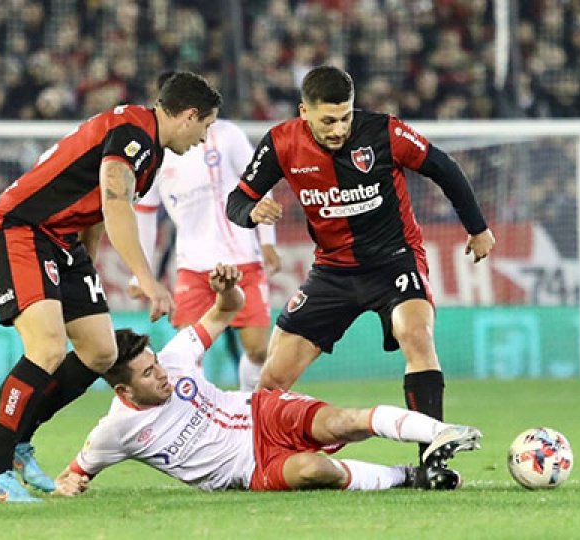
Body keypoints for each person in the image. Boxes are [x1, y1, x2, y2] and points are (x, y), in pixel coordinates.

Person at [226, 65, 496, 461]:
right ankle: (258, 459)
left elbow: (444, 168)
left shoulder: (384, 132)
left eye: (346, 117)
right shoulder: (282, 142)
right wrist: (251, 212)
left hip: (395, 262)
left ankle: (431, 459)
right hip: (332, 272)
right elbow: (237, 199)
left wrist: (477, 228)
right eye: (328, 121)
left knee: (416, 336)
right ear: (305, 112)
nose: (338, 129)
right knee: (272, 378)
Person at [0, 72, 222, 503]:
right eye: (206, 126)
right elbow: (113, 200)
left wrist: (83, 265)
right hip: (23, 228)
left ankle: (16, 445)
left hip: (61, 241)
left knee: (101, 351)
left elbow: (90, 209)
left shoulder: (149, 148)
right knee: (47, 349)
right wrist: (147, 278)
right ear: (189, 116)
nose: (204, 139)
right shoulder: (134, 135)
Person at [53, 264, 482, 496]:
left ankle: (443, 432)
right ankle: (409, 478)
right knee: (314, 470)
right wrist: (68, 485)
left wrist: (226, 292)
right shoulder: (115, 432)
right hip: (251, 469)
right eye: (149, 373)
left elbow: (226, 311)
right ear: (123, 391)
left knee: (341, 422)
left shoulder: (176, 356)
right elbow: (75, 473)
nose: (162, 374)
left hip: (262, 414)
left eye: (156, 364)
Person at [131, 72, 282, 391]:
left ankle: (249, 412)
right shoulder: (154, 152)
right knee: (188, 354)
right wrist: (138, 273)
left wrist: (267, 241)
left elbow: (260, 183)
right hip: (193, 265)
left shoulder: (227, 135)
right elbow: (144, 213)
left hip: (241, 257)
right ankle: (196, 424)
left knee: (257, 348)